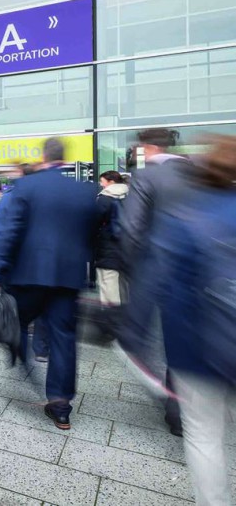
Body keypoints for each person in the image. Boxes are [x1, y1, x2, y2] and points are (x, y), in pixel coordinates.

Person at [134, 136, 236, 506]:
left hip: (202, 350)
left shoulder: (188, 215)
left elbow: (161, 282)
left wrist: (138, 339)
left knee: (206, 437)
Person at [0, 138, 99, 431]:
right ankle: (61, 406)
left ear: (43, 157)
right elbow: (92, 235)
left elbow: (10, 234)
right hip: (67, 276)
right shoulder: (84, 191)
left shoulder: (25, 187)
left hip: (28, 275)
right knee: (64, 337)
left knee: (16, 322)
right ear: (63, 160)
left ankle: (21, 359)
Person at [119, 128, 192, 437]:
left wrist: (133, 270)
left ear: (147, 147)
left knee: (138, 339)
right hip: (200, 275)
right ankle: (189, 403)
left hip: (157, 271)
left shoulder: (147, 177)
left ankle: (173, 404)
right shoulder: (202, 172)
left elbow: (131, 229)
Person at [93, 171, 128, 329]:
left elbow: (94, 222)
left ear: (111, 181)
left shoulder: (105, 198)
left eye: (103, 181)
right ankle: (124, 315)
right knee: (122, 284)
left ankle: (111, 320)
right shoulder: (132, 195)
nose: (101, 184)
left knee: (107, 283)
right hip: (128, 247)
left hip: (108, 247)